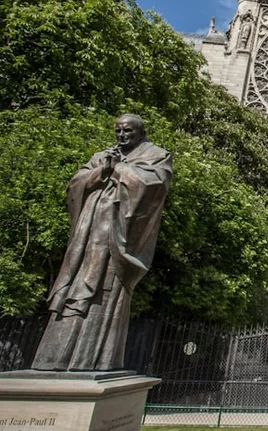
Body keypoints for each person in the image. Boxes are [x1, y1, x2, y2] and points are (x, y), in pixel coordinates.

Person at [31, 114, 172, 371]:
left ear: (141, 133)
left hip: (116, 239)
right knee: (74, 286)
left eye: (127, 131)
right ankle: (55, 358)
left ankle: (93, 359)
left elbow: (154, 185)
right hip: (86, 236)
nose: (121, 135)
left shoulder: (156, 156)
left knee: (106, 292)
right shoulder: (103, 156)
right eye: (118, 130)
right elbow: (76, 184)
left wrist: (118, 169)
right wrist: (103, 169)